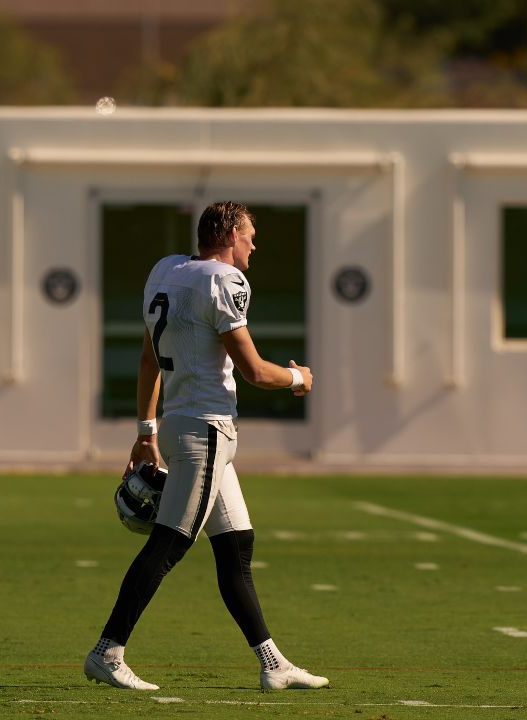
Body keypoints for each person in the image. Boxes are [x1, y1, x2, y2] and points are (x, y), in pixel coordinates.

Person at [83, 201, 329, 692]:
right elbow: (256, 371)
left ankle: (273, 664)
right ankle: (108, 651)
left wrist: (146, 429)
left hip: (180, 424)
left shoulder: (167, 272)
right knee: (171, 541)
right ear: (229, 236)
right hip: (205, 430)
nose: (254, 245)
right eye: (249, 235)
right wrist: (298, 377)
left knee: (236, 545)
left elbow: (149, 357)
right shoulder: (223, 281)